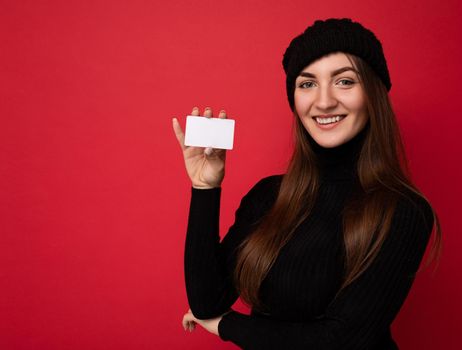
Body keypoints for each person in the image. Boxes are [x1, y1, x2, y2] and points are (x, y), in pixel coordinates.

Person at [172, 17, 442, 349]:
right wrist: (205, 188)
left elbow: (340, 341)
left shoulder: (402, 210)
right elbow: (206, 302)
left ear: (373, 94)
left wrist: (227, 325)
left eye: (344, 81)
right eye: (307, 84)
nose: (324, 101)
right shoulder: (269, 195)